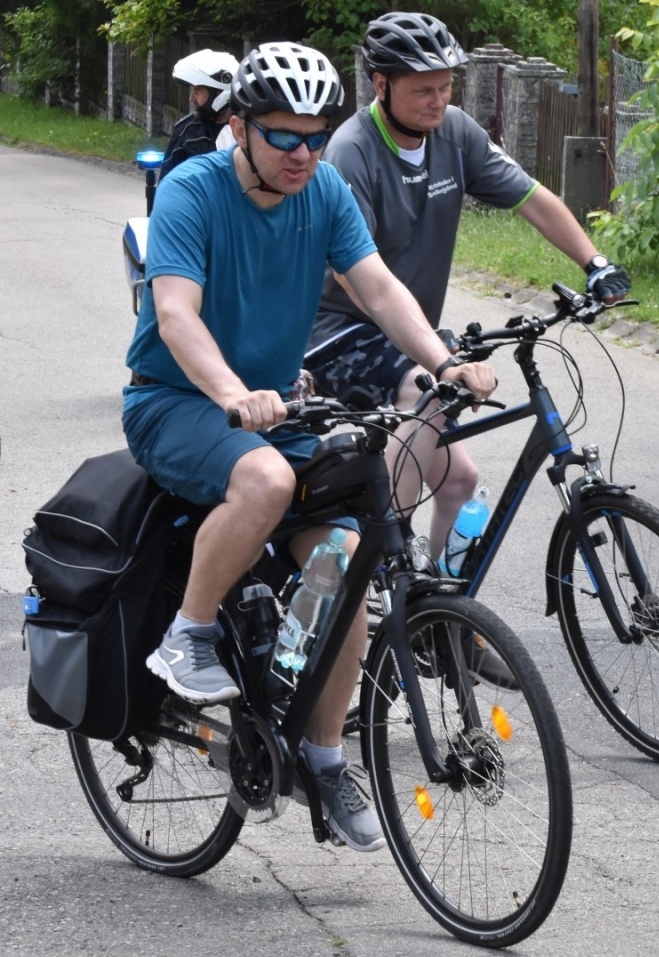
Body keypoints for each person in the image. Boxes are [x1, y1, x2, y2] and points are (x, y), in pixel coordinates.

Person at [125, 42, 495, 851]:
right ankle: (185, 637)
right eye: (283, 136)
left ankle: (323, 756)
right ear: (241, 128)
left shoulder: (322, 189)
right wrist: (230, 391)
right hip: (178, 402)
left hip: (271, 409)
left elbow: (379, 288)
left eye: (316, 135)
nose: (303, 153)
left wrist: (443, 362)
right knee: (262, 482)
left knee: (345, 551)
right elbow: (178, 314)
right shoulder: (194, 190)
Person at [304, 11, 631, 555]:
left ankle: (437, 616)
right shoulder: (351, 151)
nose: (439, 100)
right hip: (339, 331)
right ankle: (386, 561)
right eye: (423, 90)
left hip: (411, 336)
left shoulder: (454, 133)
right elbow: (358, 280)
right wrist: (433, 356)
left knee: (458, 482)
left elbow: (534, 199)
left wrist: (594, 263)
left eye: (446, 86)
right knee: (429, 392)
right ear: (381, 85)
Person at [159, 49, 238, 179]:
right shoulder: (185, 130)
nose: (191, 98)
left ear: (218, 92)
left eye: (197, 91)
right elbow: (167, 182)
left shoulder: (247, 129)